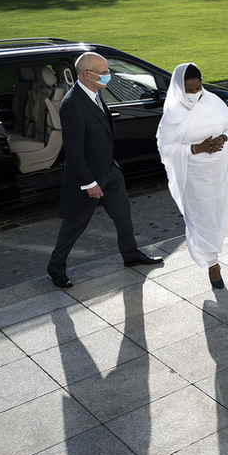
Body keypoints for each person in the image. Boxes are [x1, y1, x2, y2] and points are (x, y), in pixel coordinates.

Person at [47, 52, 162, 289]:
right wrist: (89, 183)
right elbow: (74, 151)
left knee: (123, 216)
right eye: (103, 72)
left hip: (110, 171)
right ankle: (56, 267)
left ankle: (130, 255)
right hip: (88, 178)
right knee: (74, 225)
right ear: (87, 74)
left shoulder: (96, 94)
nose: (108, 75)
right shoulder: (72, 104)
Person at [157, 63, 228, 288]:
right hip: (194, 176)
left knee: (220, 215)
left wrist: (222, 139)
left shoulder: (213, 101)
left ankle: (214, 251)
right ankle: (212, 264)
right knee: (201, 219)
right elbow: (166, 148)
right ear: (180, 88)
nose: (196, 94)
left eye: (199, 88)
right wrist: (196, 148)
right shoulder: (173, 112)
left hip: (219, 171)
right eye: (190, 90)